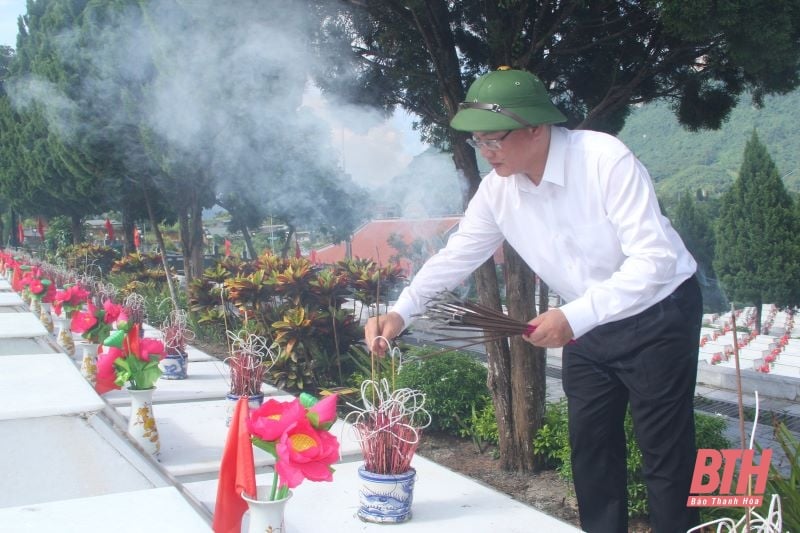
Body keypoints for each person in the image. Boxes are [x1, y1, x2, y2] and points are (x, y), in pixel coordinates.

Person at [365, 66, 702, 533]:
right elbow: (458, 254)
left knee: (665, 454)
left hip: (656, 312)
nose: (485, 153)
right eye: (477, 143)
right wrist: (402, 310)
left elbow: (655, 259)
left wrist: (574, 315)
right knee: (591, 451)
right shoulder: (497, 190)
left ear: (537, 128)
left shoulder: (604, 159)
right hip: (584, 320)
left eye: (495, 140)